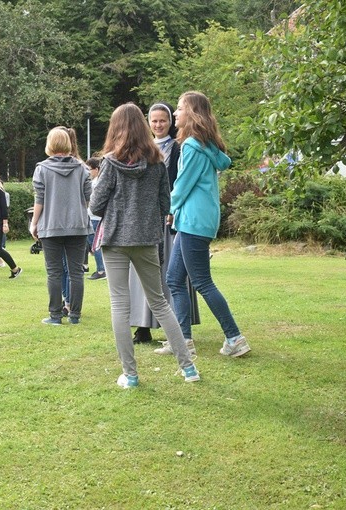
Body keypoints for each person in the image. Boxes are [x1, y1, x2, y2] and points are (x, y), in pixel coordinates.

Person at [90, 102, 199, 388]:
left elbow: (95, 204)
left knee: (119, 305)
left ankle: (131, 374)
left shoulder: (110, 163)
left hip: (115, 240)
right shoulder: (158, 162)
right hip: (148, 239)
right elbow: (166, 203)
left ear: (116, 128)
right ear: (143, 125)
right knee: (161, 303)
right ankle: (188, 368)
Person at [167, 91, 250, 357]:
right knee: (174, 279)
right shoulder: (205, 147)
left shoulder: (191, 146)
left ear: (191, 113)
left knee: (202, 282)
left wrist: (168, 208)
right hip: (196, 220)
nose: (175, 113)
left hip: (193, 221)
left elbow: (183, 184)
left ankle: (235, 338)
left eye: (180, 108)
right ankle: (183, 341)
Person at [128, 102, 200, 347]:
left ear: (170, 122)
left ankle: (178, 328)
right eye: (154, 121)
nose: (158, 125)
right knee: (143, 272)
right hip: (145, 219)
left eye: (163, 120)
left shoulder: (180, 148)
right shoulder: (140, 148)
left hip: (169, 218)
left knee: (170, 273)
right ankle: (142, 325)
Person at [29, 127, 91, 325]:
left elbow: (40, 199)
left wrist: (34, 223)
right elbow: (89, 199)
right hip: (78, 226)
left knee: (54, 272)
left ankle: (55, 315)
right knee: (76, 272)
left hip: (51, 226)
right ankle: (75, 315)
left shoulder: (42, 169)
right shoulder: (82, 168)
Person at [85, 157, 106, 281]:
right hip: (95, 216)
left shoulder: (95, 183)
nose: (88, 173)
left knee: (95, 244)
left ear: (97, 169)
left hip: (94, 217)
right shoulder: (97, 181)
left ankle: (101, 270)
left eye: (90, 170)